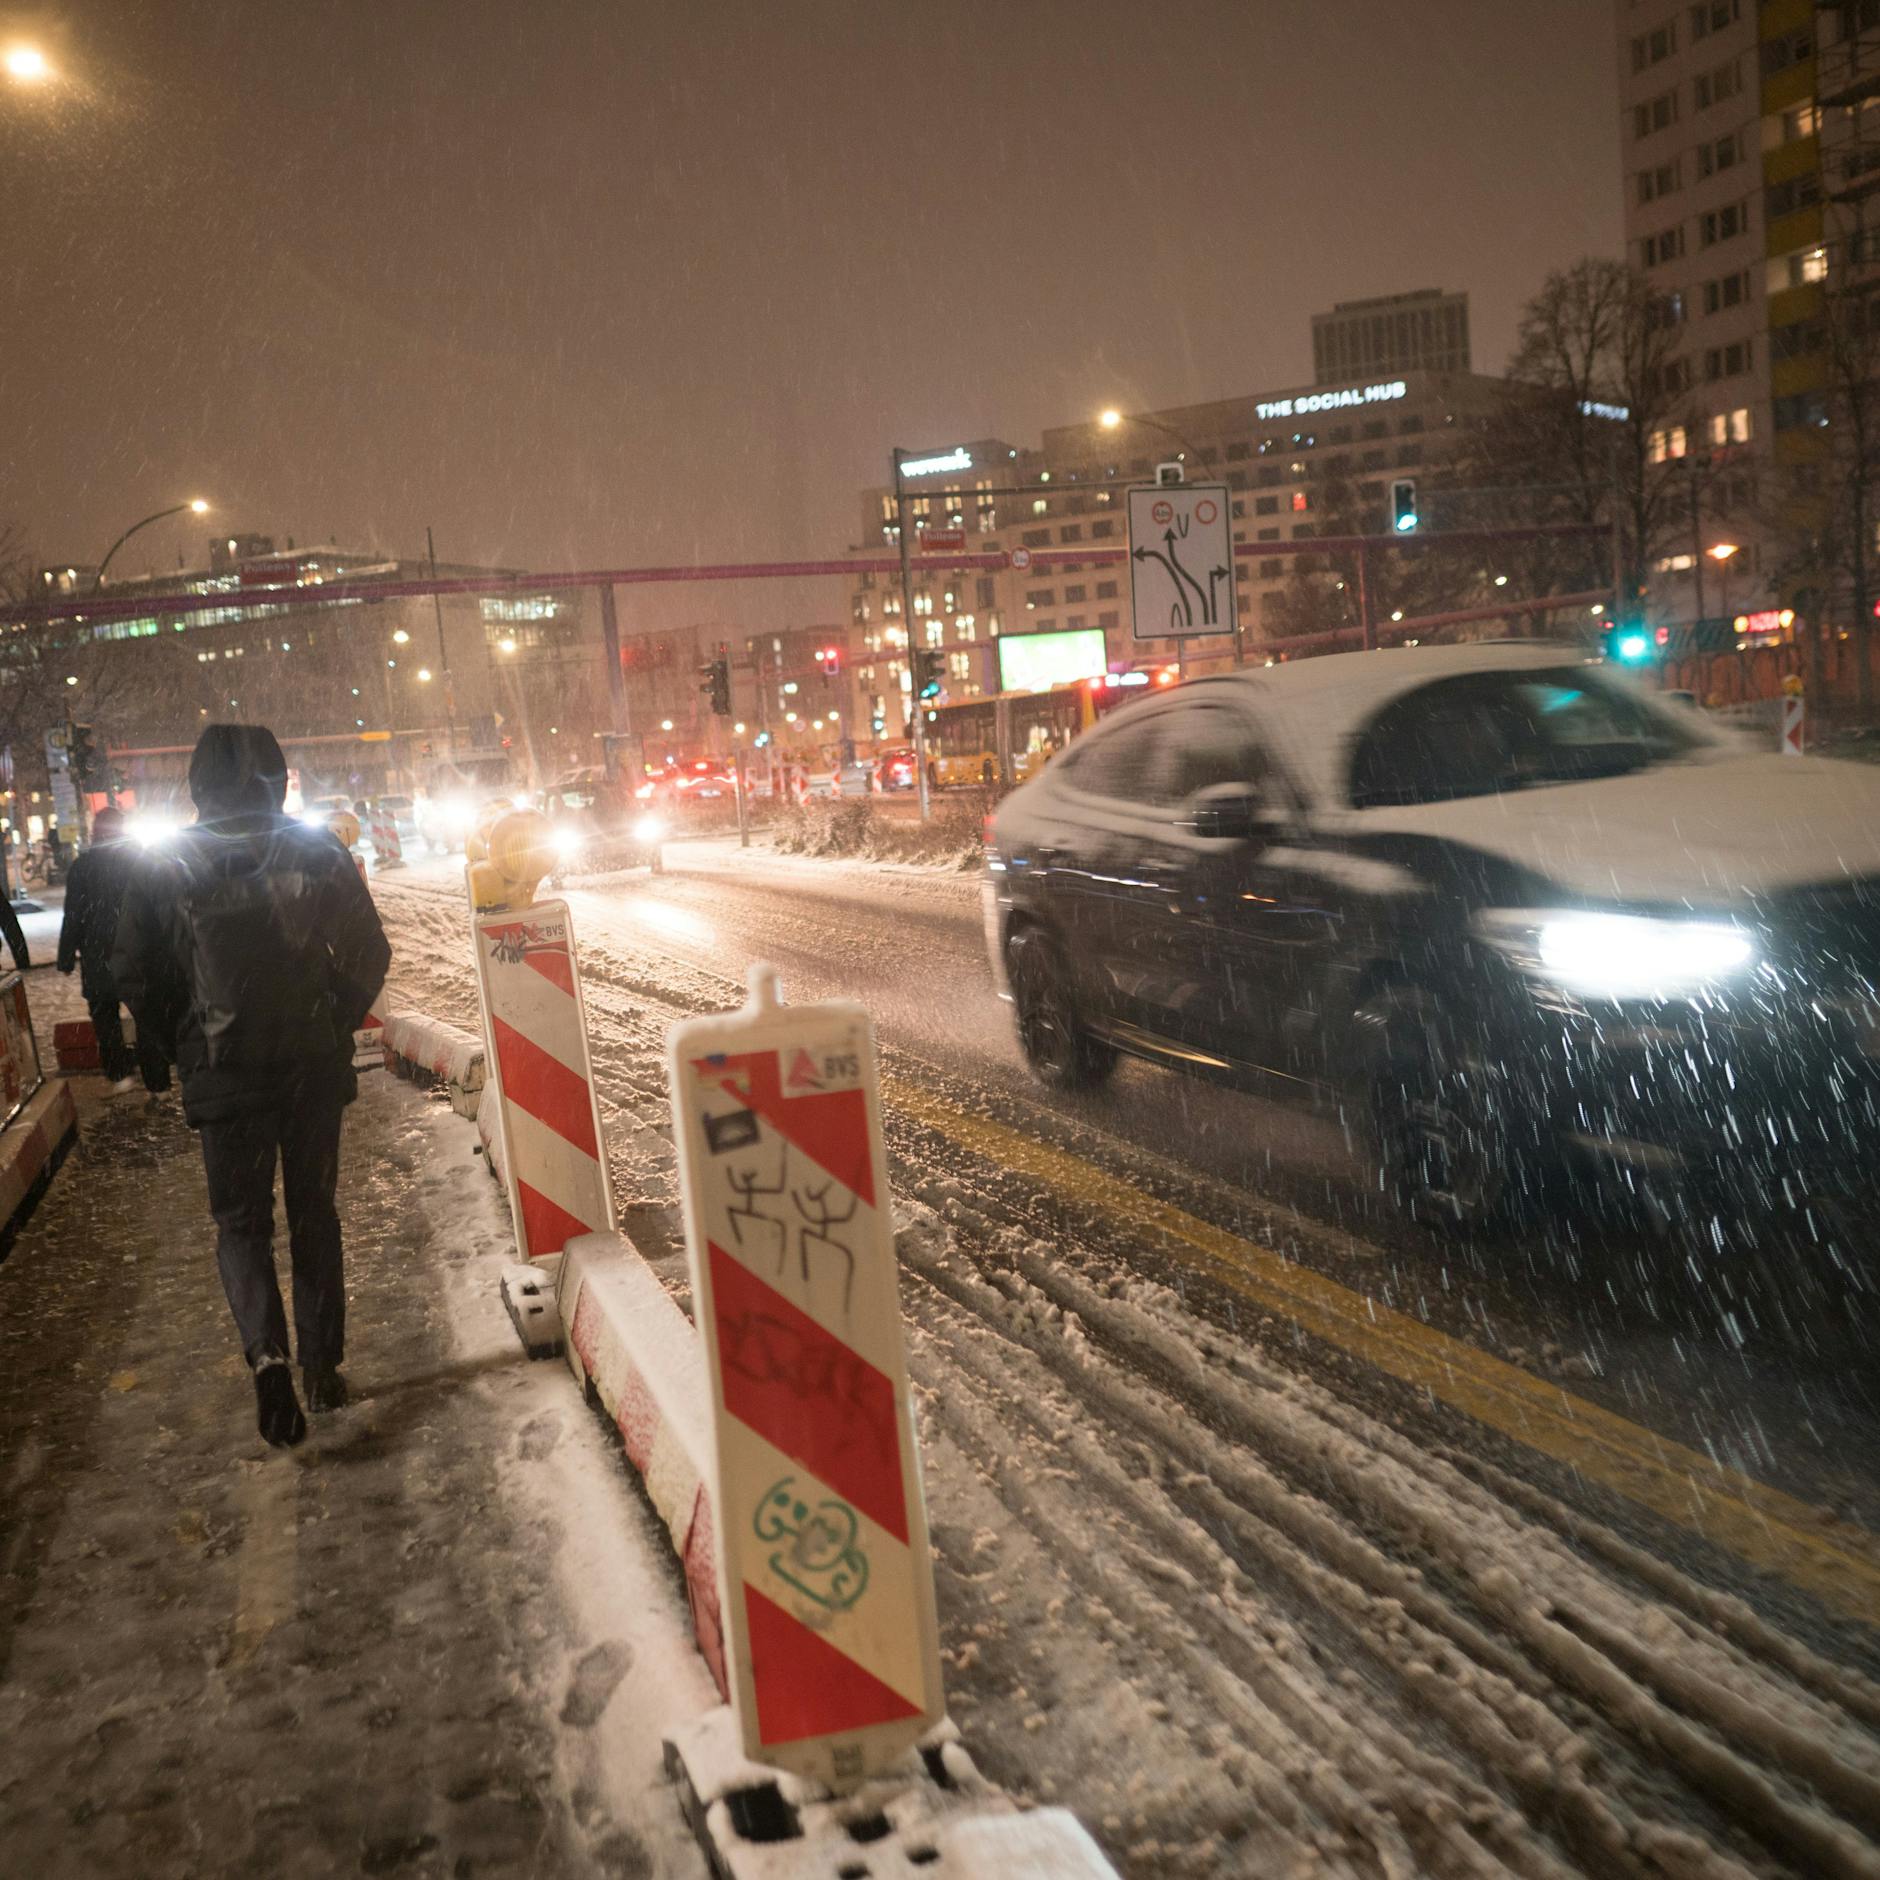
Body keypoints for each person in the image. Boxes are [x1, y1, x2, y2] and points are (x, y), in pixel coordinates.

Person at [114, 725, 391, 1449]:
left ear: (197, 785)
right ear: (279, 778)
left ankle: (267, 1356)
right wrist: (332, 1016)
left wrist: (183, 1038)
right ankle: (322, 1367)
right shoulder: (314, 848)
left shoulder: (166, 861)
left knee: (240, 1226)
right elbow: (370, 948)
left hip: (223, 1072)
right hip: (309, 1067)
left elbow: (134, 970)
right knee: (313, 1214)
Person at [56, 807, 152, 1092]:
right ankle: (155, 1077)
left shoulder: (83, 867)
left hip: (98, 953)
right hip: (136, 949)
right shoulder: (138, 861)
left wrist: (65, 957)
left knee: (105, 1018)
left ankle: (118, 1073)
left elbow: (73, 914)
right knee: (145, 1014)